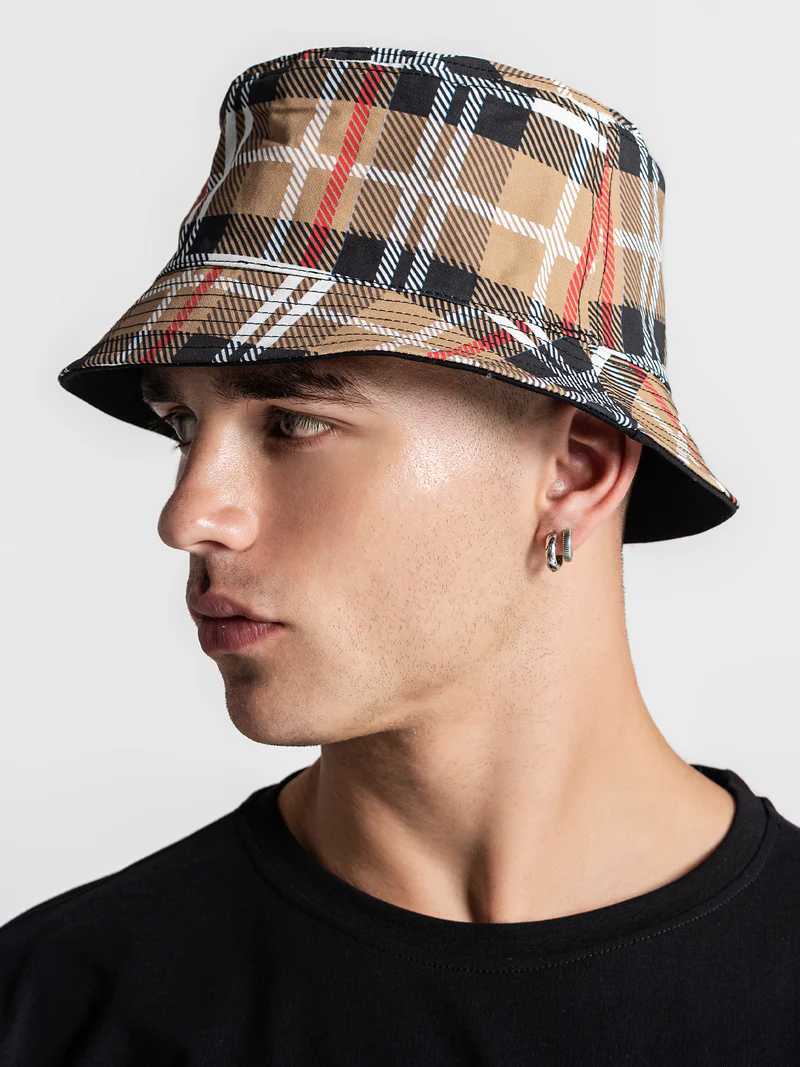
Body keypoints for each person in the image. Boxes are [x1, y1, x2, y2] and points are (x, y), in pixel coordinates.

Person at [1, 45, 797, 1065]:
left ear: (576, 467)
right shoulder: (54, 1007)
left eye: (293, 422)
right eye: (181, 428)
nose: (189, 515)